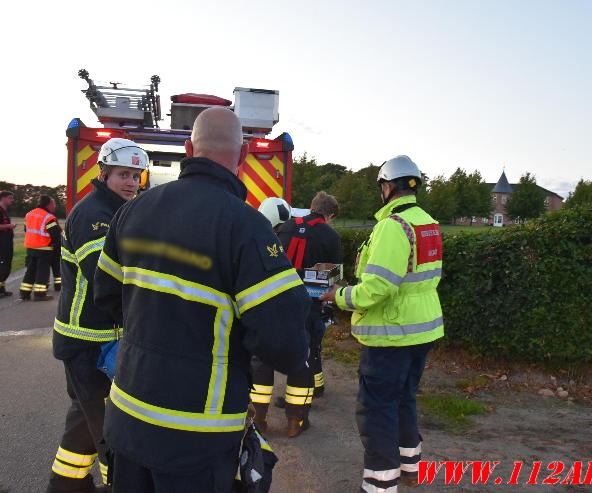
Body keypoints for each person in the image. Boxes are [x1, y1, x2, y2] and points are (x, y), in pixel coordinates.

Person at [94, 107, 311, 493]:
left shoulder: (131, 211)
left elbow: (107, 296)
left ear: (188, 148)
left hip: (127, 418)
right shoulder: (247, 228)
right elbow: (285, 344)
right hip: (197, 435)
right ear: (243, 155)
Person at [320, 155, 444, 492]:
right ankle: (409, 466)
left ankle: (380, 484)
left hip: (392, 334)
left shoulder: (393, 226)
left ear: (388, 187)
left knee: (377, 410)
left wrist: (338, 296)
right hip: (422, 330)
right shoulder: (427, 222)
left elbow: (378, 288)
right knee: (404, 399)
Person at [45, 138, 149, 493]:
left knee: (84, 418)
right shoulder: (94, 215)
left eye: (136, 176)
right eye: (123, 174)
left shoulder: (116, 211)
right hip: (88, 341)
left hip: (98, 339)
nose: (131, 183)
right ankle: (117, 483)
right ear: (103, 173)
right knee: (110, 427)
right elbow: (107, 278)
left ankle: (66, 484)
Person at [250, 192, 341, 438]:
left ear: (311, 207)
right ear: (329, 215)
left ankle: (257, 419)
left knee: (262, 359)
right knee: (303, 361)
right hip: (307, 309)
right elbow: (329, 283)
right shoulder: (331, 237)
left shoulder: (284, 227)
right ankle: (295, 422)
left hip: (273, 305)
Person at [19, 195, 61, 301]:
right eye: (54, 204)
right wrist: (55, 246)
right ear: (49, 204)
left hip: (30, 247)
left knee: (30, 271)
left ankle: (24, 293)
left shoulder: (29, 214)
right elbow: (55, 234)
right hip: (44, 248)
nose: (54, 206)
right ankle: (40, 294)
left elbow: (26, 229)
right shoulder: (48, 217)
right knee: (42, 271)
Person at [0, 190, 16, 297]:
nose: (12, 200)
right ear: (3, 198)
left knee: (6, 266)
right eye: (10, 198)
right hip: (1, 243)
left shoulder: (4, 211)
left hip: (6, 243)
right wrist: (8, 226)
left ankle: (2, 288)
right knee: (2, 265)